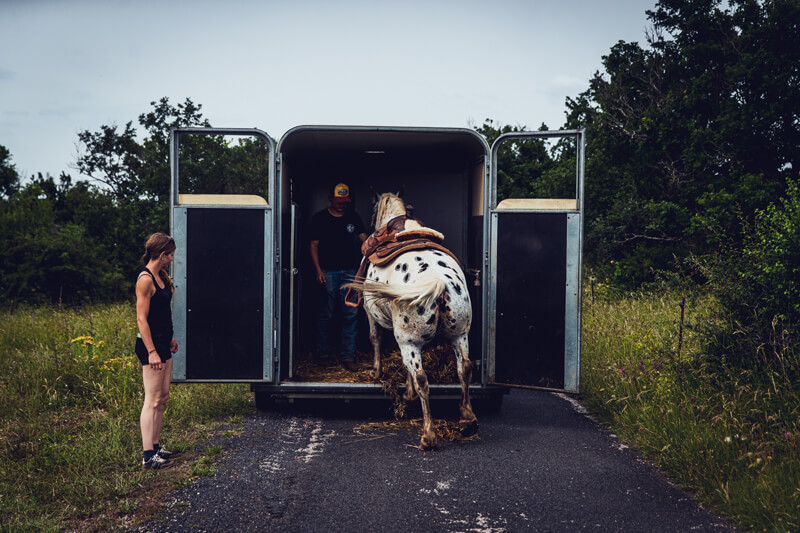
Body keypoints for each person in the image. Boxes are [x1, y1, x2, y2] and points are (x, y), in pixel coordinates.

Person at [309, 182, 368, 371]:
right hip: (328, 272)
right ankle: (322, 355)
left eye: (345, 201)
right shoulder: (320, 218)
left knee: (350, 314)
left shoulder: (353, 217)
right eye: (339, 201)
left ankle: (348, 357)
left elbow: (365, 241)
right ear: (331, 198)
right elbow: (313, 245)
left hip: (350, 273)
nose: (343, 204)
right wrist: (318, 270)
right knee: (326, 314)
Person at [135, 232, 179, 470]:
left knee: (162, 398)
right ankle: (147, 456)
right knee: (151, 401)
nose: (172, 259)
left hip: (163, 343)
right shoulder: (145, 279)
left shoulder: (161, 276)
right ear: (162, 255)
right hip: (150, 346)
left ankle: (156, 445)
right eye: (170, 255)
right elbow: (142, 320)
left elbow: (161, 314)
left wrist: (170, 338)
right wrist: (152, 351)